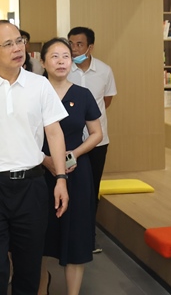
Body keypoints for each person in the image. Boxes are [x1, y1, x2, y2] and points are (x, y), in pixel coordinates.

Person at [0, 20, 69, 295]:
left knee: (29, 264)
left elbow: (54, 133)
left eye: (19, 41)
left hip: (31, 186)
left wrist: (61, 178)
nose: (18, 48)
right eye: (8, 44)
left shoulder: (40, 85)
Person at [37, 38, 102, 295]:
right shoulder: (33, 93)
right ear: (42, 62)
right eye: (54, 56)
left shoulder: (83, 95)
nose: (61, 61)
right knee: (39, 236)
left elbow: (96, 134)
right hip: (39, 171)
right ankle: (41, 287)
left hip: (77, 173)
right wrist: (45, 159)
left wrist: (73, 154)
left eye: (66, 56)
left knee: (76, 235)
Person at [66, 26, 117, 253]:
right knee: (68, 186)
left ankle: (89, 235)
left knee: (91, 189)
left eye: (79, 44)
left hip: (97, 142)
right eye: (71, 44)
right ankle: (67, 233)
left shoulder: (104, 71)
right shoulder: (64, 69)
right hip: (70, 142)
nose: (74, 48)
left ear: (90, 47)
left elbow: (106, 101)